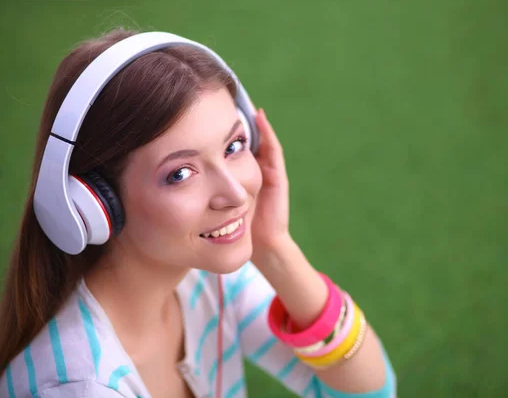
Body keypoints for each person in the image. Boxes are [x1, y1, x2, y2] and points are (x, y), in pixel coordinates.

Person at [0, 28, 396, 397]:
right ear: (95, 205)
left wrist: (274, 246)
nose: (236, 193)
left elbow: (369, 390)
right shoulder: (78, 387)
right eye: (181, 173)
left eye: (235, 145)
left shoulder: (208, 280)